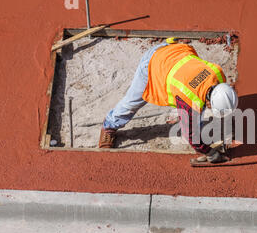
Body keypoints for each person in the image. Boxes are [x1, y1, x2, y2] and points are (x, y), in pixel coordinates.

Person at [98, 39, 238, 164]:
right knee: (132, 103)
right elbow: (190, 135)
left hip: (173, 51)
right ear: (210, 103)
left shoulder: (218, 74)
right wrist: (209, 152)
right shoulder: (188, 98)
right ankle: (109, 125)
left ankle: (196, 127)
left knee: (195, 112)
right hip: (153, 63)